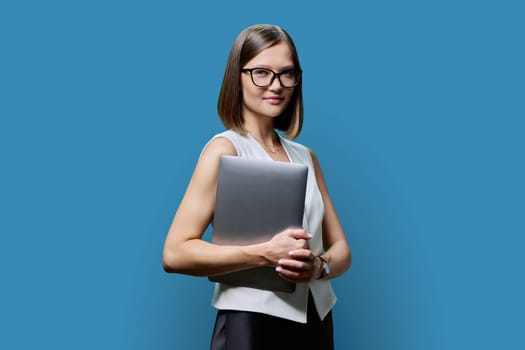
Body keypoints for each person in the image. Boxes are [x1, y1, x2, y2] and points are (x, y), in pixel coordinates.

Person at [162, 23, 352, 350]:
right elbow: (175, 252)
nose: (275, 85)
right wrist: (262, 254)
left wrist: (319, 266)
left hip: (315, 320)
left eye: (287, 73)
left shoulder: (306, 157)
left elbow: (343, 252)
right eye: (261, 72)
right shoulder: (225, 149)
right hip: (251, 322)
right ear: (238, 76)